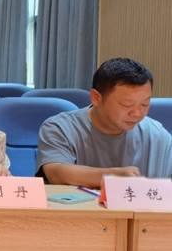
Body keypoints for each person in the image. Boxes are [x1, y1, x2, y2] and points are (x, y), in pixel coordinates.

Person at [37, 58, 172, 188]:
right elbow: (56, 173)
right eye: (127, 104)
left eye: (144, 104)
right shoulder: (61, 128)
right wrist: (111, 176)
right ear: (96, 98)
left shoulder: (157, 135)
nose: (137, 113)